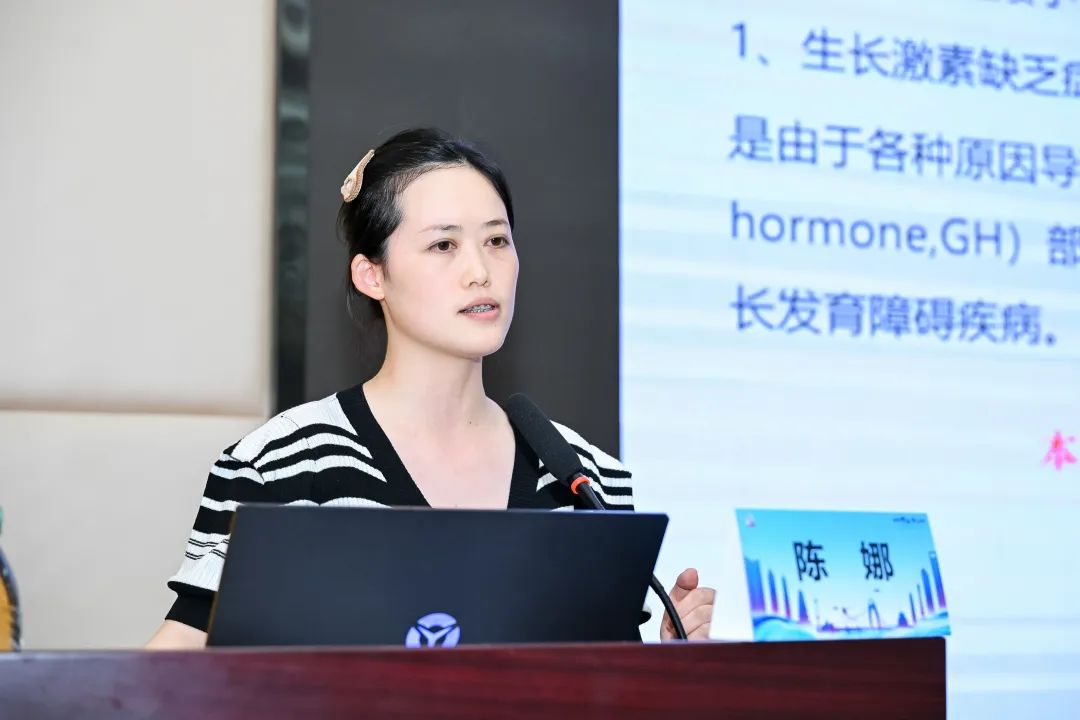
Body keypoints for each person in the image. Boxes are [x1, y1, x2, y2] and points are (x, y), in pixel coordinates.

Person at [145, 128, 715, 649]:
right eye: (444, 245)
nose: (480, 272)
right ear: (372, 275)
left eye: (497, 241)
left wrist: (670, 663)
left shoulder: (585, 480)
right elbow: (174, 672)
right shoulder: (281, 462)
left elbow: (602, 689)